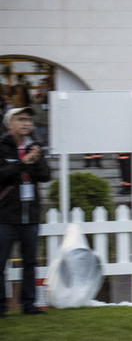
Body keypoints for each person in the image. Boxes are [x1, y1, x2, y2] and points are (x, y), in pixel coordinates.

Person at [0, 107, 51, 317]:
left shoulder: (35, 147)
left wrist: (37, 160)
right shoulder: (2, 148)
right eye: (20, 119)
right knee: (0, 262)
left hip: (30, 215)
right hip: (5, 215)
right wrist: (23, 163)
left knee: (30, 262)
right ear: (9, 124)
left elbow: (46, 176)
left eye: (29, 120)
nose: (26, 123)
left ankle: (28, 304)